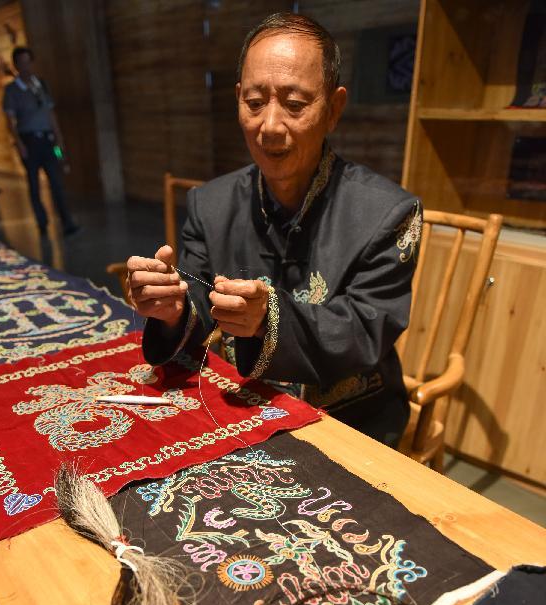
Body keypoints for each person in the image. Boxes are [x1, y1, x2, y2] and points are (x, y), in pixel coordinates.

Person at [127, 13, 422, 447]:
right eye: (254, 102)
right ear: (237, 100)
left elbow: (365, 331)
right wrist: (171, 309)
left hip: (346, 419)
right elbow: (199, 304)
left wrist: (268, 317)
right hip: (235, 402)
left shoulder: (387, 213)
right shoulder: (210, 203)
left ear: (334, 109)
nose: (269, 126)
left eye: (295, 105)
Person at [3, 46, 79, 237]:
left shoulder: (41, 85)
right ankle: (42, 223)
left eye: (29, 62)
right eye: (22, 63)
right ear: (16, 65)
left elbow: (50, 113)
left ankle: (67, 222)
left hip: (48, 140)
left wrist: (59, 139)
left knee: (57, 182)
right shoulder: (12, 90)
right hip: (28, 141)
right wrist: (19, 144)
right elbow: (9, 121)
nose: (26, 67)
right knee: (34, 184)